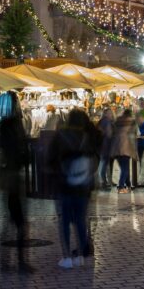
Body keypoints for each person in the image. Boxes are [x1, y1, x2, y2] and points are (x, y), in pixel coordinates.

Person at [49, 108, 101, 268]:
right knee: (80, 220)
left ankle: (66, 258)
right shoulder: (87, 137)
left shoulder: (60, 136)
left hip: (64, 185)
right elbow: (95, 161)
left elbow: (50, 159)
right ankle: (80, 256)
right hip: (83, 186)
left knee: (64, 221)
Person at [0, 91, 33, 273]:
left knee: (13, 221)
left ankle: (7, 260)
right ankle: (19, 262)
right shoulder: (15, 126)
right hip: (13, 177)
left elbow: (0, 150)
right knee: (19, 222)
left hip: (9, 176)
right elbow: (21, 153)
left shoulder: (3, 125)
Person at [112, 108, 138, 194]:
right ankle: (121, 187)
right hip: (126, 146)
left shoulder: (117, 121)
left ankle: (128, 184)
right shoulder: (133, 122)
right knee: (125, 168)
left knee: (124, 167)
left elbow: (113, 132)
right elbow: (137, 133)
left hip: (116, 147)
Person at [96, 107, 115, 190]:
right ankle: (103, 183)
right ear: (106, 114)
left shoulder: (101, 121)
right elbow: (109, 134)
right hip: (106, 146)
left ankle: (104, 182)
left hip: (101, 146)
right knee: (104, 165)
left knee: (104, 164)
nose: (112, 115)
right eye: (110, 113)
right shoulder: (107, 121)